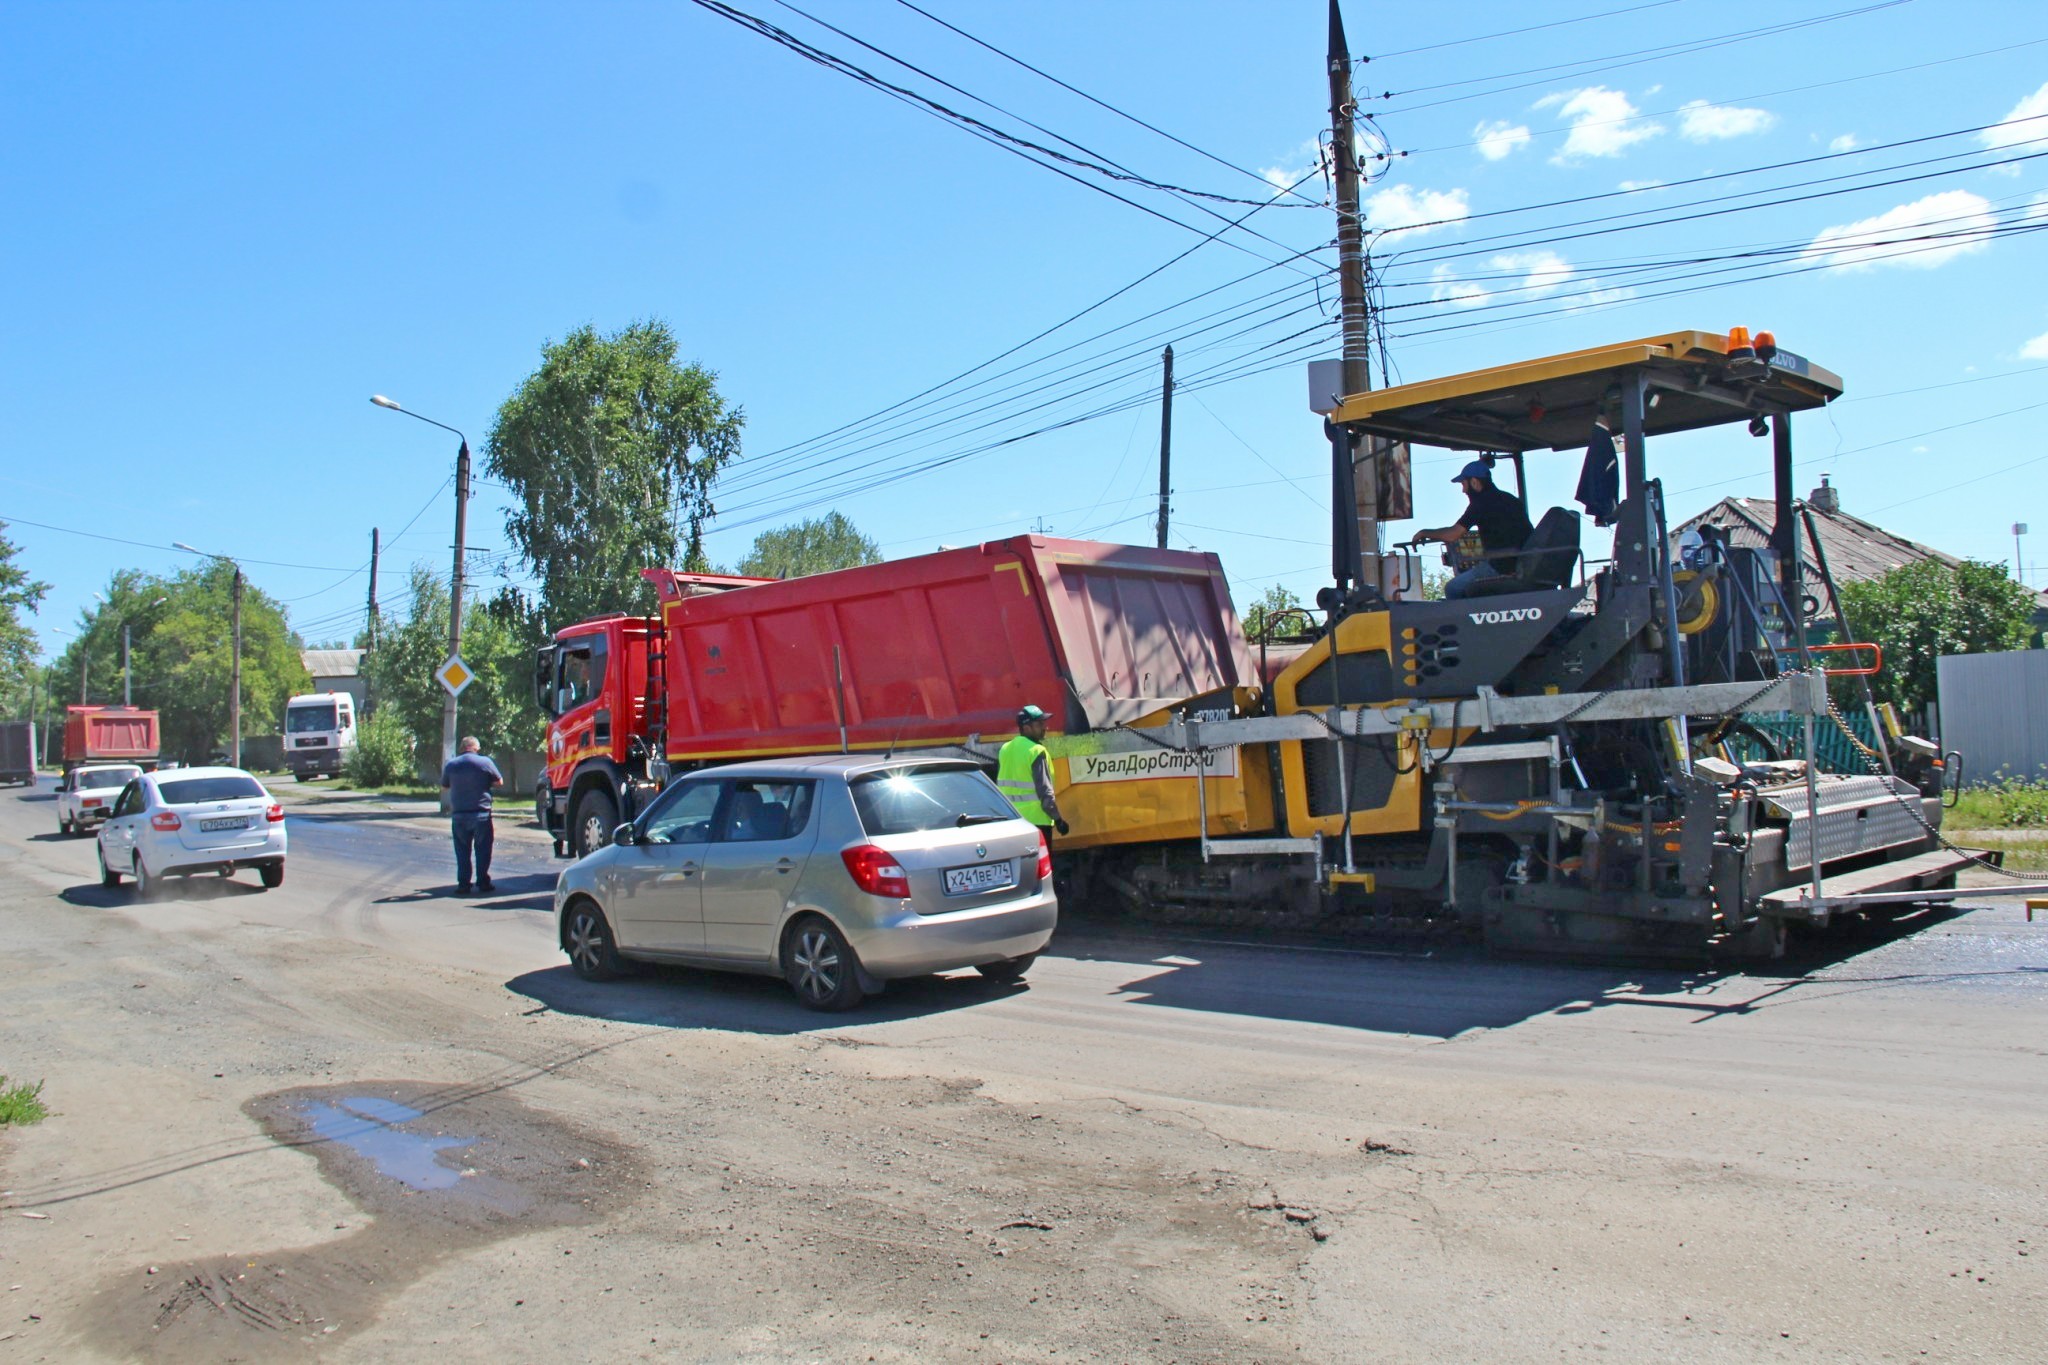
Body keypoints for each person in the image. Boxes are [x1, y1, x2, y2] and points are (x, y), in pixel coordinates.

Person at [1415, 460, 1534, 600]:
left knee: (1453, 588)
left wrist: (1424, 532)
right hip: (1523, 563)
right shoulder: (1511, 499)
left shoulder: (1481, 504)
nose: (1463, 490)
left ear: (1474, 482)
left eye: (1464, 484)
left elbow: (1453, 534)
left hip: (1500, 566)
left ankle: (1462, 621)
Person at [440, 735, 504, 895]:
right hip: (481, 814)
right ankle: (483, 882)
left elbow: (445, 786)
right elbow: (499, 782)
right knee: (483, 849)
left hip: (459, 815)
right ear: (476, 748)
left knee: (462, 851)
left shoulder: (451, 764)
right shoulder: (485, 762)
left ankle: (463, 884)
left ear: (462, 747)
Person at [996, 704, 1068, 838]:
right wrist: (1058, 820)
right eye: (1039, 724)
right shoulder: (1036, 751)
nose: (1044, 728)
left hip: (1014, 822)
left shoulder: (1005, 749)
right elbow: (1045, 793)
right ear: (1026, 728)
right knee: (1041, 859)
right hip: (1037, 823)